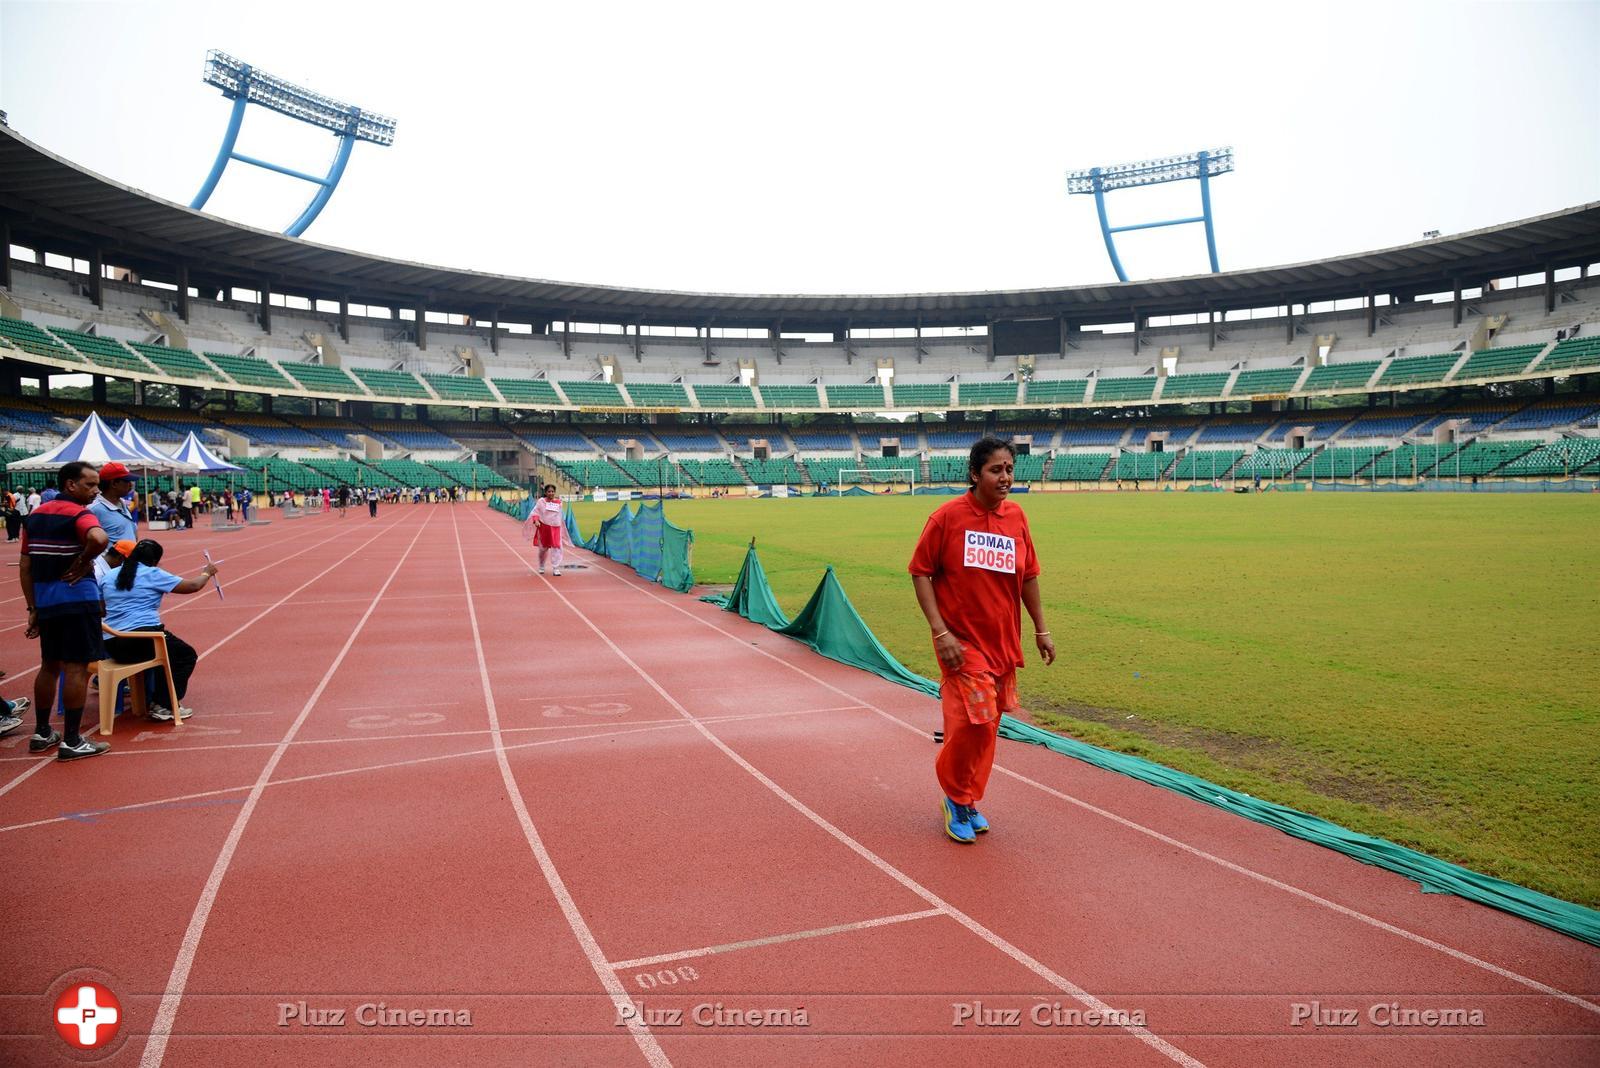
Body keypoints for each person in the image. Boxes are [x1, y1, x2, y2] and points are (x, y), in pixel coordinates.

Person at [909, 437, 1055, 844]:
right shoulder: (947, 518)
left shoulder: (1017, 517)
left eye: (1009, 469)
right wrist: (941, 633)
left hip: (1003, 643)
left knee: (989, 726)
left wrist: (1041, 630)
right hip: (962, 643)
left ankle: (968, 797)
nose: (1005, 477)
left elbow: (1028, 576)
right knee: (971, 723)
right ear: (975, 474)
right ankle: (956, 797)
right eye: (996, 469)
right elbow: (920, 572)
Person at [20, 461, 110, 761]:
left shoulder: (34, 517)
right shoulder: (79, 513)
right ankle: (71, 739)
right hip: (76, 599)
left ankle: (43, 731)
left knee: (49, 665)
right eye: (90, 484)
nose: (96, 490)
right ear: (71, 485)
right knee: (76, 668)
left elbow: (26, 566)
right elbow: (99, 539)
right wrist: (84, 561)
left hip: (46, 601)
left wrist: (33, 606)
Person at [99, 540, 218, 722]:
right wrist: (206, 573)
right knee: (185, 655)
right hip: (143, 639)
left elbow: (101, 608)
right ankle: (165, 704)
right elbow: (193, 586)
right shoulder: (152, 574)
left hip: (112, 643)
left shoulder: (109, 576)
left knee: (168, 652)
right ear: (154, 560)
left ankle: (157, 700)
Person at [89, 462, 140, 546]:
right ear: (114, 484)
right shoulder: (94, 509)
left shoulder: (122, 503)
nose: (130, 485)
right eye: (127, 481)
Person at [532, 484, 565, 576]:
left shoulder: (559, 503)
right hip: (544, 528)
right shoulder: (541, 502)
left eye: (553, 491)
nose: (551, 493)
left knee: (557, 548)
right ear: (546, 492)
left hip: (555, 529)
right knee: (543, 549)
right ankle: (542, 565)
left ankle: (556, 567)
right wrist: (536, 520)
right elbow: (535, 512)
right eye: (549, 491)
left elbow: (559, 516)